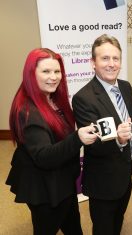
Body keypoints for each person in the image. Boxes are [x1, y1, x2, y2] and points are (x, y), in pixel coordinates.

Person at [6, 48, 98, 235]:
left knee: (73, 226)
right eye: (46, 71)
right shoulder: (27, 111)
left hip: (62, 181)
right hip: (44, 188)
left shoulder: (52, 99)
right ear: (31, 74)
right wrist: (77, 137)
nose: (53, 77)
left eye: (57, 72)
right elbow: (44, 156)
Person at [72, 34, 132, 235]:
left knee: (118, 222)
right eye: (105, 58)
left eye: (116, 58)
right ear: (93, 63)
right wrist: (119, 139)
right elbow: (92, 144)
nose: (112, 64)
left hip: (125, 173)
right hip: (103, 180)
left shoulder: (126, 87)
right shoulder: (83, 98)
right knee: (103, 229)